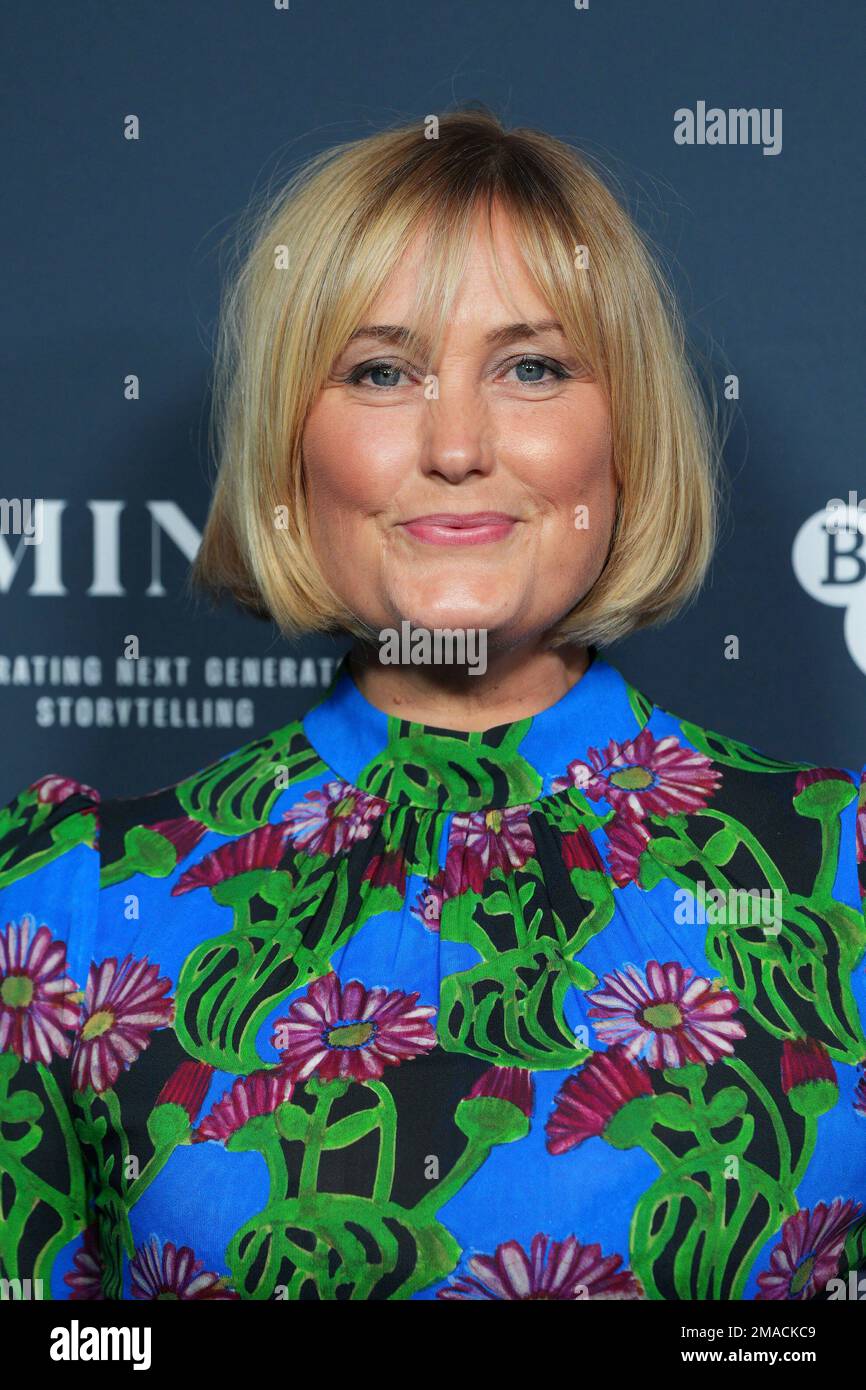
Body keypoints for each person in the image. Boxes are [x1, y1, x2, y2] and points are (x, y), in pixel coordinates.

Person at [1, 107, 864, 1302]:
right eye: (380, 371)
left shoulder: (841, 878)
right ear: (290, 449)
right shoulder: (69, 912)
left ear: (623, 436)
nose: (455, 445)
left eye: (531, 367)